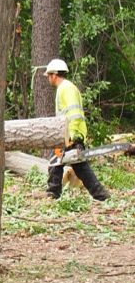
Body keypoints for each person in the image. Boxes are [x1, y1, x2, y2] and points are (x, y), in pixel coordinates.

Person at [43, 58, 110, 201]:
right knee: (77, 167)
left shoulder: (66, 88)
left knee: (56, 162)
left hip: (69, 135)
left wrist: (70, 137)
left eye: (49, 75)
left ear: (54, 74)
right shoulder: (66, 88)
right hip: (67, 134)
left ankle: (52, 194)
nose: (48, 78)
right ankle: (101, 196)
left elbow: (74, 114)